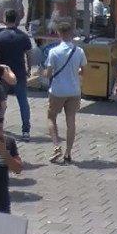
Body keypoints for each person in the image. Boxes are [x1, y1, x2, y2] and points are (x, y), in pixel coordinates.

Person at [43, 19, 86, 164]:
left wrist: (43, 74)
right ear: (71, 33)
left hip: (57, 90)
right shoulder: (79, 51)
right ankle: (68, 153)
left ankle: (56, 146)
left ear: (58, 33)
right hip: (74, 90)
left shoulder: (53, 52)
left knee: (51, 117)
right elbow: (83, 71)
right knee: (71, 121)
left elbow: (48, 73)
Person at [0, 9, 33, 140]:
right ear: (17, 20)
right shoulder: (23, 36)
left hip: (3, 74)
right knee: (23, 102)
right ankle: (26, 130)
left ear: (4, 19)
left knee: (0, 101)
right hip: (19, 73)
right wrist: (29, 69)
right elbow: (29, 54)